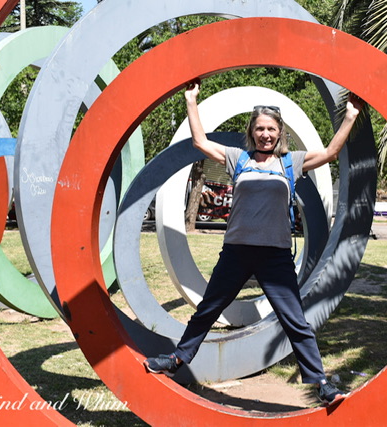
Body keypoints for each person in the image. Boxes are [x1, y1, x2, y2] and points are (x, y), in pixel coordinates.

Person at [144, 81, 363, 406]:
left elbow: (331, 152)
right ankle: (177, 359)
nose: (265, 134)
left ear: (279, 132)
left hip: (275, 257)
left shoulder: (291, 162)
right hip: (236, 252)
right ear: (252, 131)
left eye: (271, 129)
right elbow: (201, 142)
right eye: (260, 128)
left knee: (295, 321)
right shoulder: (238, 158)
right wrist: (191, 100)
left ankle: (320, 384)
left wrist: (351, 115)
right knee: (208, 310)